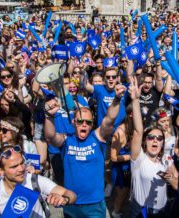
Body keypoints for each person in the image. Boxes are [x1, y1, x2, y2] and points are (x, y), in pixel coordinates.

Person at [44, 82, 126, 217]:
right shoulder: (66, 140)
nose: (84, 125)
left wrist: (116, 99)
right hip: (70, 202)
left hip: (94, 205)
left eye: (88, 122)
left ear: (91, 124)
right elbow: (50, 136)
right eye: (80, 121)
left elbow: (109, 119)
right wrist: (49, 116)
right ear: (73, 122)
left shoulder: (97, 137)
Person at [129, 77, 178, 217]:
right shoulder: (139, 158)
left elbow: (178, 185)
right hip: (140, 211)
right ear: (145, 141)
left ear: (163, 142)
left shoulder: (167, 158)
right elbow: (138, 131)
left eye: (159, 138)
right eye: (151, 137)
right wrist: (135, 100)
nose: (155, 141)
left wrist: (170, 179)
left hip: (162, 211)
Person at [0, 144, 76, 217]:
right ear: (1, 171)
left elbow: (71, 195)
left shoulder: (34, 180)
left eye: (22, 163)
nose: (21, 168)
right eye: (14, 166)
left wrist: (64, 199)